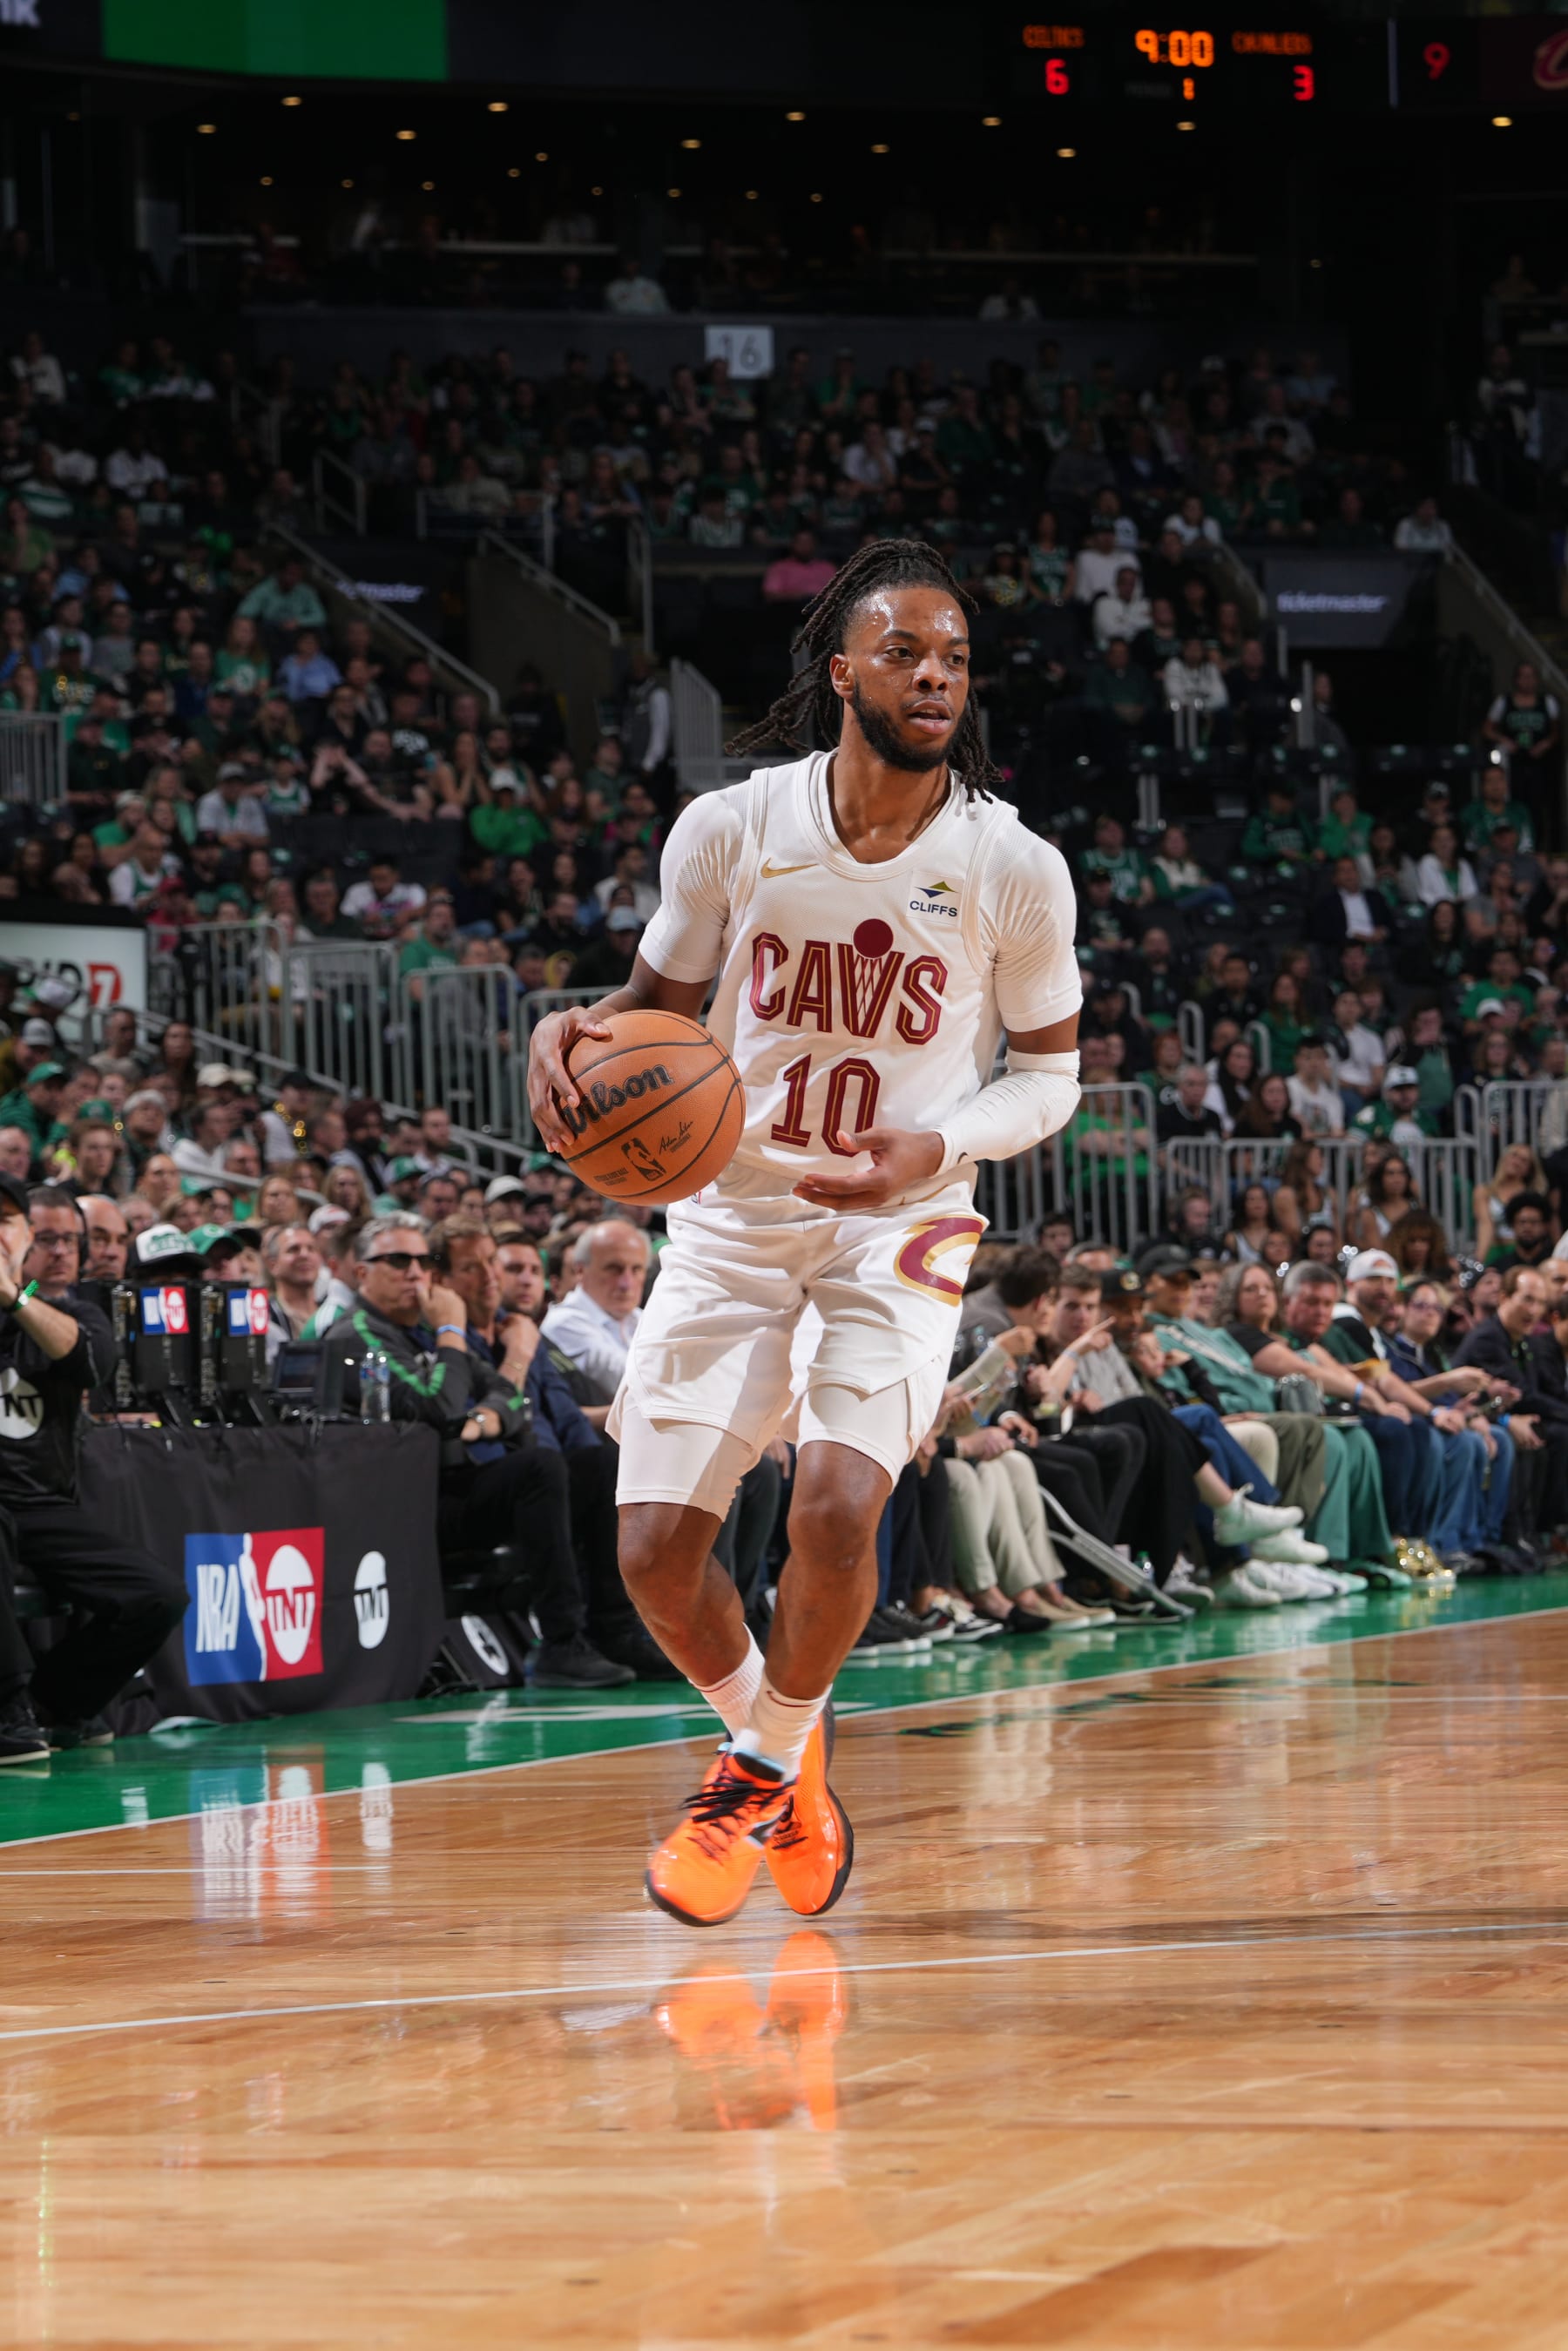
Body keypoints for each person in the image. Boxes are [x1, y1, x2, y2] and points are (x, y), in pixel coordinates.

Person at [526, 536, 1085, 1928]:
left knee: (838, 1502)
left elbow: (1054, 1075)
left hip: (899, 1221)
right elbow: (647, 1019)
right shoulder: (733, 826)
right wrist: (572, 1033)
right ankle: (785, 1744)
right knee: (655, 1547)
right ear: (842, 669)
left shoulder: (1013, 864)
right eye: (905, 650)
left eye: (954, 655)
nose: (935, 674)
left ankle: (754, 1769)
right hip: (730, 1210)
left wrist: (939, 1140)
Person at [321, 1214, 632, 1690]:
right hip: (405, 1503)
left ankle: (617, 1627)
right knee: (539, 1469)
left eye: (422, 1262)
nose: (415, 1273)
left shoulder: (422, 1333)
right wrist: (451, 1332)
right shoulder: (358, 1332)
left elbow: (509, 1397)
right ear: (361, 1273)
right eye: (398, 1261)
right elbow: (439, 1407)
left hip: (450, 1482)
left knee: (596, 1464)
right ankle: (561, 1643)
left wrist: (480, 1421)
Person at [0, 1182, 188, 1760]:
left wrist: (12, 1297)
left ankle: (55, 1701)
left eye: (6, 1221)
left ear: (24, 1238)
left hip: (42, 1507)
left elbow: (89, 1362)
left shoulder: (68, 1311)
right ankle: (6, 1709)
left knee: (156, 1594)